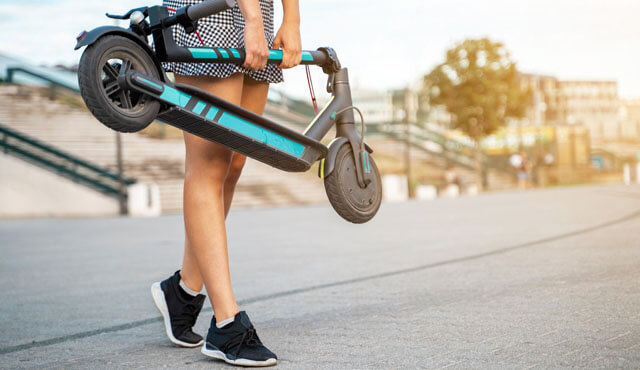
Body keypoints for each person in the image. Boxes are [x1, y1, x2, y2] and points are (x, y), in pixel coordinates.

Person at [150, 0, 301, 366]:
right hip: (208, 10)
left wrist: (290, 17)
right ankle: (227, 324)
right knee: (209, 163)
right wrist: (250, 17)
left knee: (234, 161)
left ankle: (183, 291)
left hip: (257, 12)